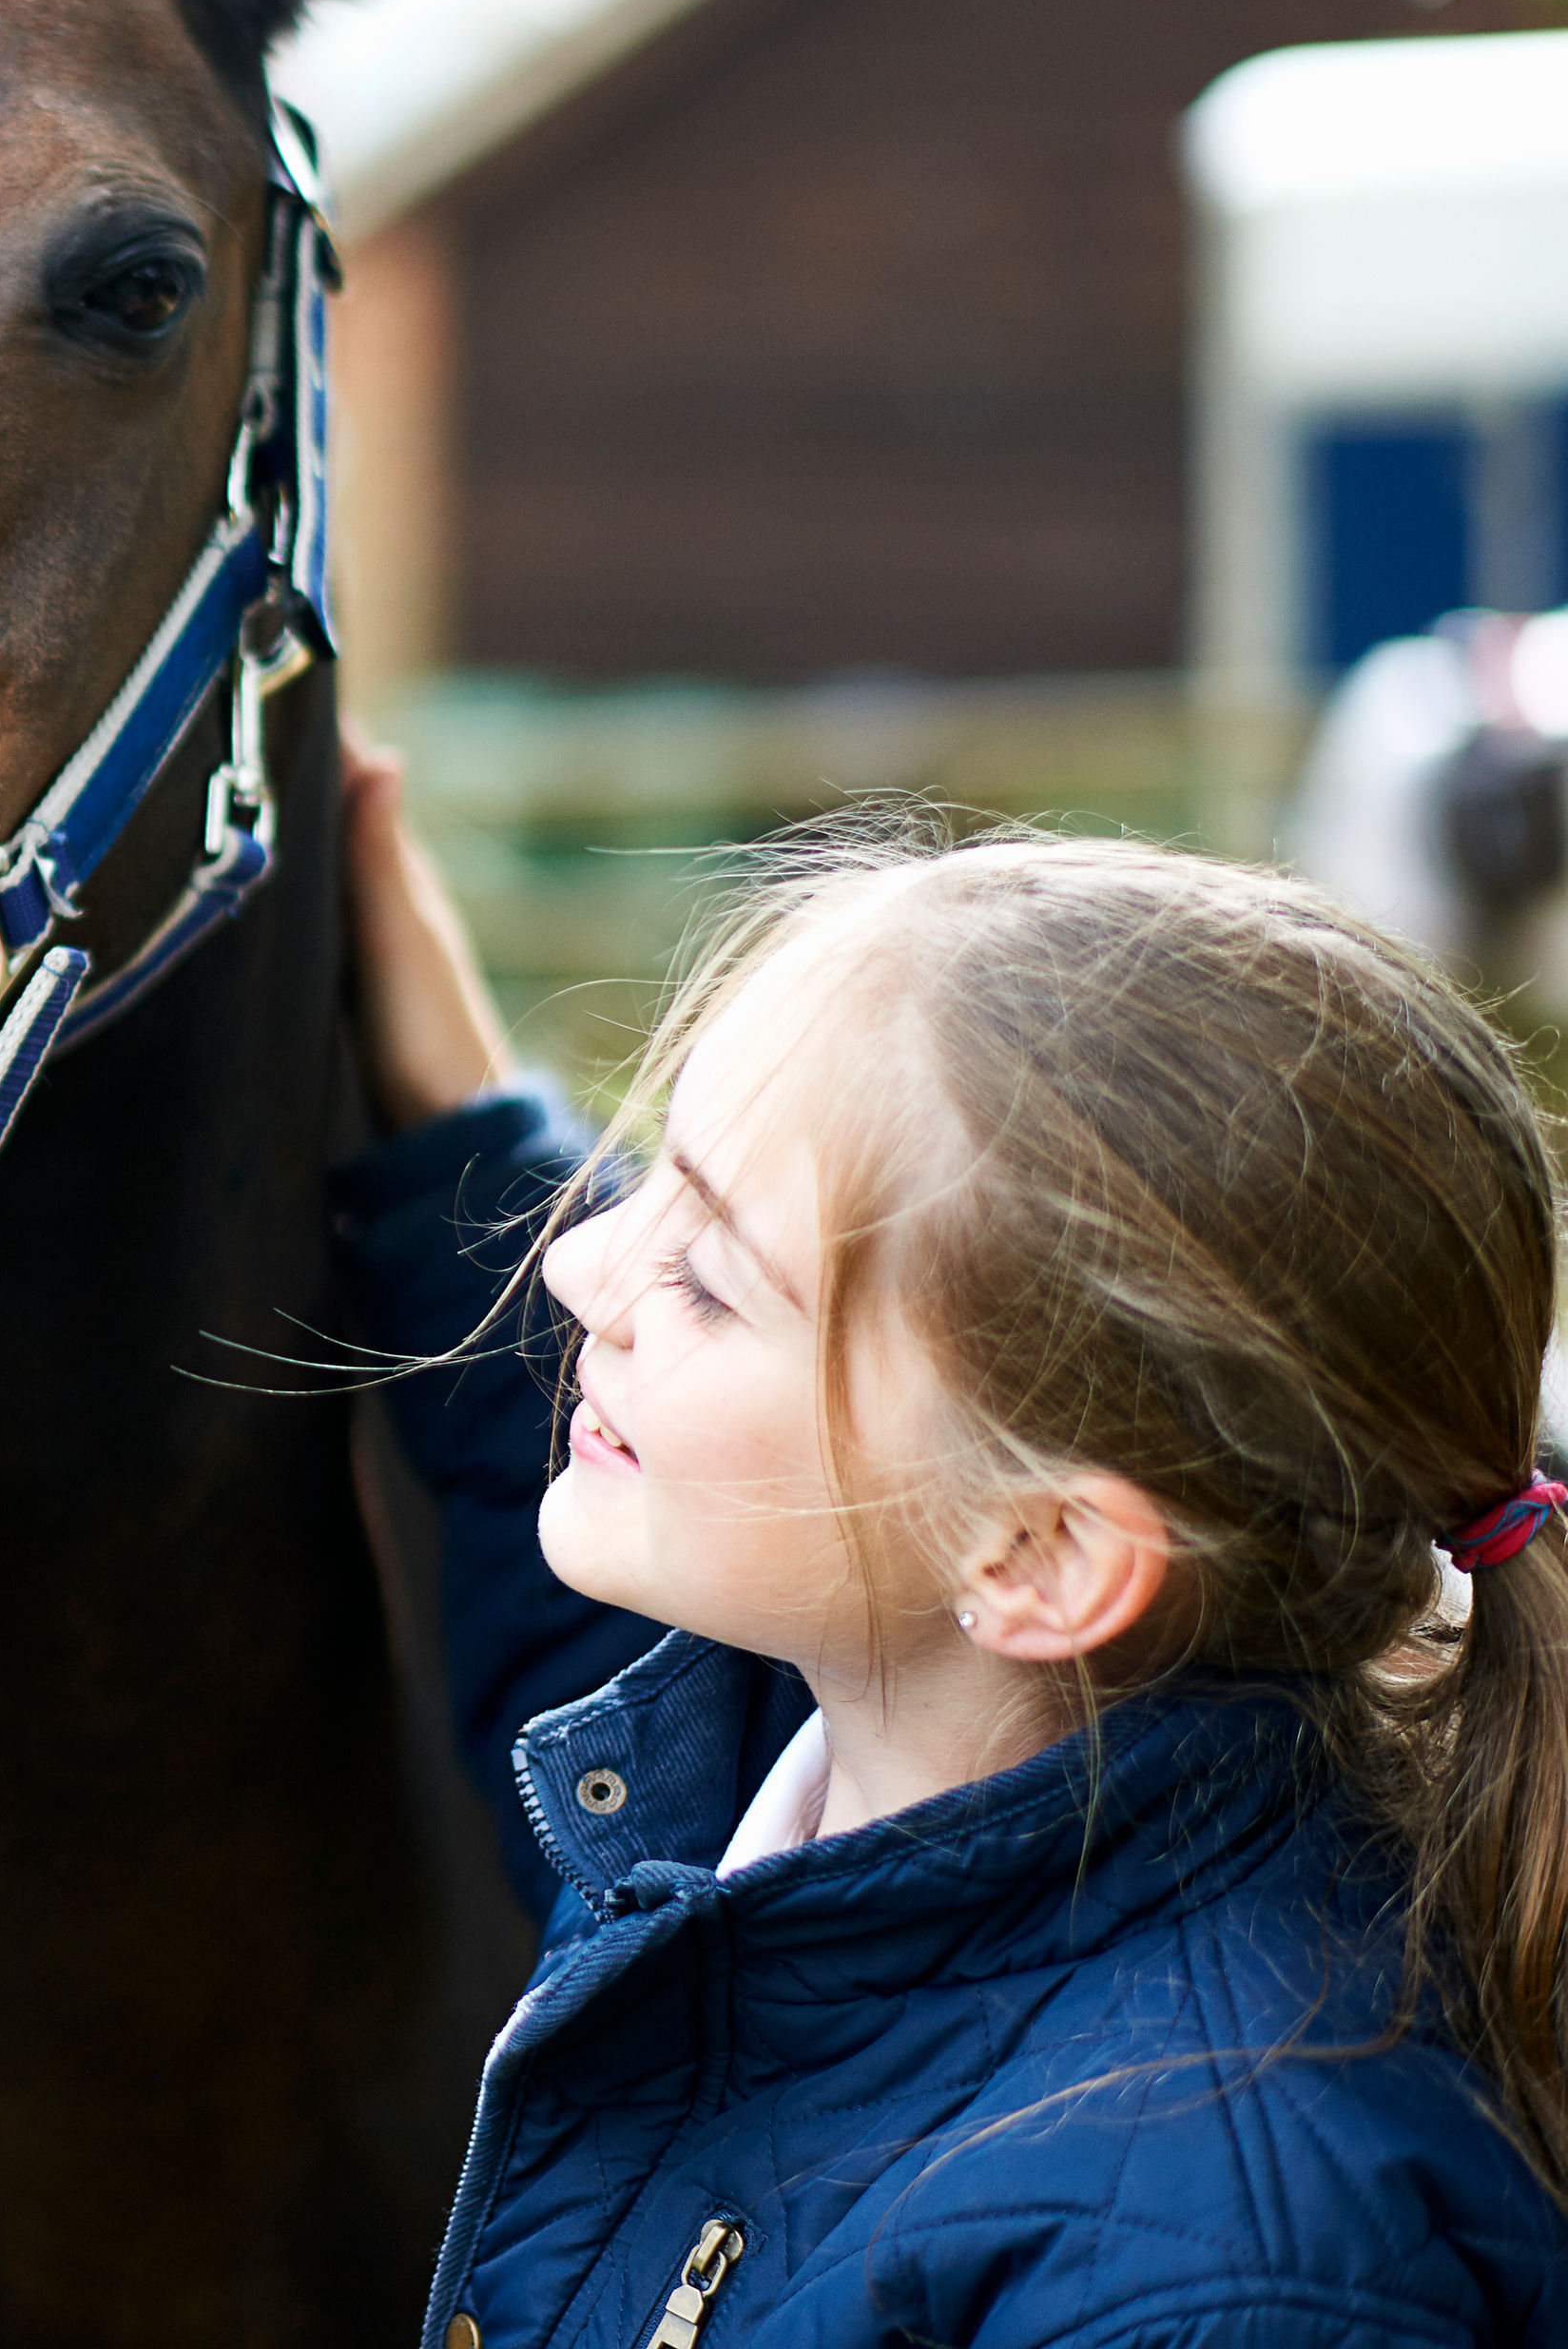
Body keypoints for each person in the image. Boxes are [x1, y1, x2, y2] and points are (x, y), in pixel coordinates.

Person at [331, 748, 1568, 2345]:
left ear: (1040, 1554)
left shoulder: (1219, 2276)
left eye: (707, 1276)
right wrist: (456, 1125)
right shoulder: (833, 1741)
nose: (579, 1269)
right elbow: (592, 1581)